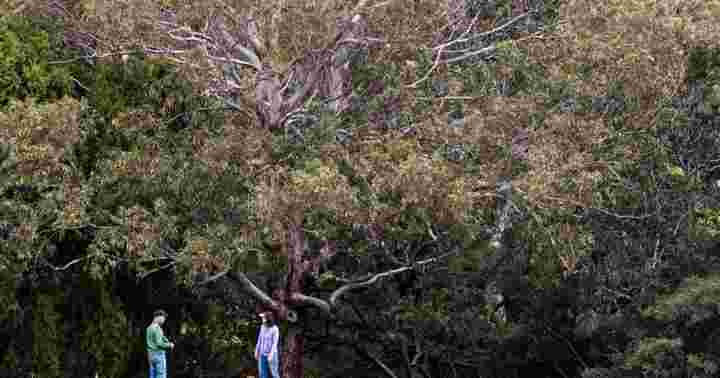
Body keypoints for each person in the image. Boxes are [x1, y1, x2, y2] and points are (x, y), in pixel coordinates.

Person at [146, 309, 175, 378]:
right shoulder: (157, 328)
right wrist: (170, 345)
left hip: (150, 355)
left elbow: (154, 340)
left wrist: (164, 338)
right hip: (158, 354)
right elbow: (159, 343)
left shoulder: (149, 328)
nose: (164, 320)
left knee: (152, 375)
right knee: (161, 375)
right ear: (158, 317)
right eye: (164, 317)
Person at [254, 311, 280, 378]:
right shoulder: (262, 327)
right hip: (262, 355)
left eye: (263, 317)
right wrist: (256, 351)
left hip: (272, 355)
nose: (262, 319)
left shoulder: (275, 329)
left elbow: (275, 343)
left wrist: (271, 355)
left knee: (274, 374)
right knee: (262, 374)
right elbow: (259, 339)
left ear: (267, 319)